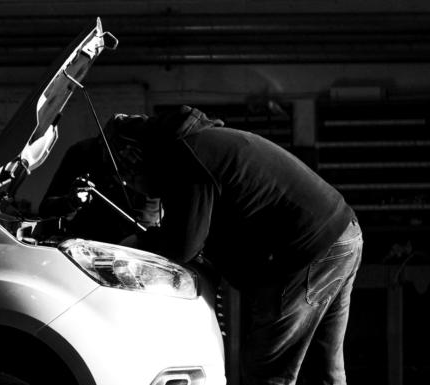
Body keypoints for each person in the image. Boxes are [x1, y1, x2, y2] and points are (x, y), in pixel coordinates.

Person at [107, 105, 363, 385]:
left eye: (128, 176)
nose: (129, 183)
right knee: (325, 370)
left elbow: (183, 247)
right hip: (343, 234)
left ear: (138, 155)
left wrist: (141, 241)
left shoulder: (187, 157)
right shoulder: (200, 142)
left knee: (267, 373)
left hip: (307, 251)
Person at [39, 113, 162, 244]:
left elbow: (155, 221)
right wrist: (70, 202)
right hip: (84, 248)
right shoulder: (83, 153)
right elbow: (45, 209)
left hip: (133, 249)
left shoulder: (152, 163)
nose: (125, 180)